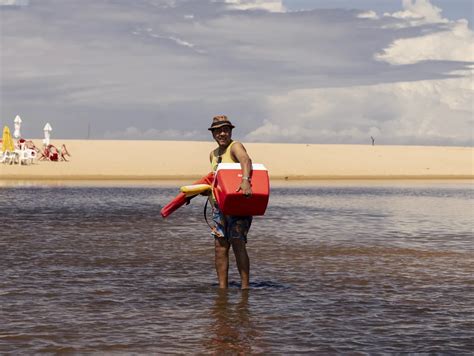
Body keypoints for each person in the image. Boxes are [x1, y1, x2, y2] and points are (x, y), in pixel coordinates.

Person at [208, 115, 253, 290]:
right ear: (213, 133)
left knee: (237, 243)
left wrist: (246, 180)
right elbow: (215, 180)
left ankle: (245, 289)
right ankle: (222, 290)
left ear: (231, 131)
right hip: (219, 208)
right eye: (218, 131)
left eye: (225, 130)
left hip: (238, 205)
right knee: (220, 247)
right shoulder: (213, 154)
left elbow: (246, 160)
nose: (222, 133)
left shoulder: (235, 146)